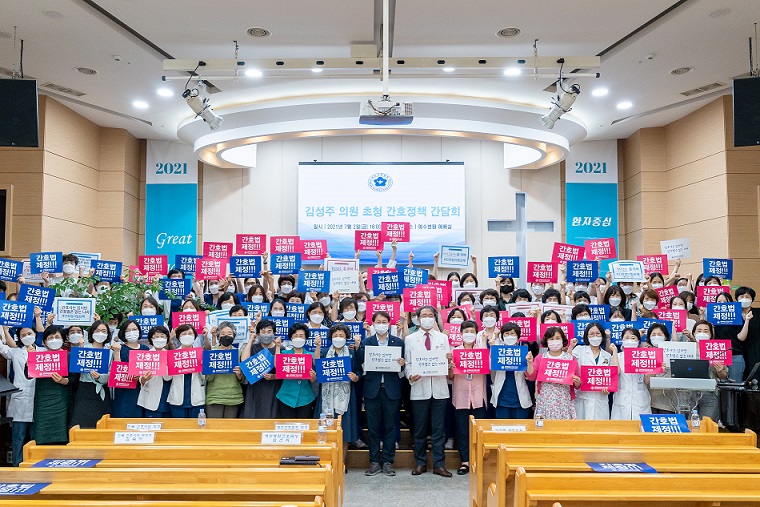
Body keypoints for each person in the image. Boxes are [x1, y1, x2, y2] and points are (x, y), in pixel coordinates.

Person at [404, 306, 452, 477]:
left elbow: (448, 362)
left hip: (440, 389)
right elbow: (408, 363)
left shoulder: (443, 338)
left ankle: (439, 464)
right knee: (419, 429)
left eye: (430, 315)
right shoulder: (410, 339)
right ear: (417, 319)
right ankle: (420, 463)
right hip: (419, 388)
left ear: (435, 318)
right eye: (423, 315)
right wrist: (410, 375)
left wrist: (449, 361)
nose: (427, 318)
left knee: (439, 429)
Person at [357, 311, 405, 477]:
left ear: (389, 323)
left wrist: (402, 364)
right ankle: (374, 461)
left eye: (384, 321)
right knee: (373, 427)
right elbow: (360, 365)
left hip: (391, 389)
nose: (381, 324)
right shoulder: (366, 342)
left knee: (391, 426)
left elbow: (403, 368)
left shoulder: (398, 342)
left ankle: (388, 462)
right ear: (373, 323)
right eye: (378, 321)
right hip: (372, 390)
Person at [314, 324, 360, 468]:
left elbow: (359, 371)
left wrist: (355, 377)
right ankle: (326, 462)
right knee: (325, 430)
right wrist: (317, 346)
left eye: (341, 335)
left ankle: (341, 463)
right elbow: (317, 365)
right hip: (326, 398)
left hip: (345, 399)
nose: (338, 338)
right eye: (335, 335)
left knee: (344, 431)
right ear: (331, 338)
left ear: (346, 338)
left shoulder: (352, 354)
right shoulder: (324, 351)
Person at [450, 320, 488, 475]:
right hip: (461, 396)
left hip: (478, 396)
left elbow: (488, 370)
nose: (469, 334)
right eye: (466, 332)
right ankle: (465, 461)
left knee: (478, 431)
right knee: (463, 431)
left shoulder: (482, 350)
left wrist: (484, 344)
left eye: (472, 331)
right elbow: (450, 377)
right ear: (460, 334)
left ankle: (478, 461)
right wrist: (450, 367)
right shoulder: (454, 352)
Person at [0, 324, 36, 465]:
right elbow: (2, 348)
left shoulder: (43, 351)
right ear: (19, 338)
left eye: (29, 333)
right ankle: (17, 466)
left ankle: (35, 466)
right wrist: (4, 329)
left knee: (35, 438)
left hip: (37, 399)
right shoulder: (16, 352)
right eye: (23, 335)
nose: (27, 336)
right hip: (19, 400)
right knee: (18, 437)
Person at [525, 327, 579, 420]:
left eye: (558, 338)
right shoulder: (540, 358)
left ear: (563, 340)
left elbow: (577, 384)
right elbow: (532, 377)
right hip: (545, 402)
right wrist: (530, 363)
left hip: (564, 402)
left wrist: (577, 381)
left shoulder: (570, 359)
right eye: (551, 339)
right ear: (547, 341)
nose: (555, 341)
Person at [33, 326, 74, 444]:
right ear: (45, 342)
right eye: (50, 338)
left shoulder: (69, 356)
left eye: (57, 337)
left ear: (63, 339)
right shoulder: (39, 356)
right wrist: (29, 361)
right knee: (42, 433)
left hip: (62, 399)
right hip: (43, 399)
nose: (54, 340)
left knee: (62, 433)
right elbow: (28, 375)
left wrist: (63, 381)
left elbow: (74, 379)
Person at [69, 321, 113, 428]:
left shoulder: (110, 351)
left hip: (102, 390)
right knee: (82, 423)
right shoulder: (83, 347)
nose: (100, 333)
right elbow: (75, 368)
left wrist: (100, 377)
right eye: (97, 331)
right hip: (85, 389)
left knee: (101, 424)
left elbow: (112, 373)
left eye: (103, 331)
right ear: (92, 332)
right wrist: (81, 349)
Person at [569, 322, 617, 420]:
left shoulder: (607, 355)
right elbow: (567, 362)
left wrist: (608, 388)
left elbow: (611, 377)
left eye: (598, 333)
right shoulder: (579, 350)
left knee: (599, 432)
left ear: (602, 335)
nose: (595, 336)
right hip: (582, 398)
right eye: (591, 334)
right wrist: (570, 347)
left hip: (600, 399)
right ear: (587, 336)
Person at [489, 322, 533, 419]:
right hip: (502, 398)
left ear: (518, 337)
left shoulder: (523, 352)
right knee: (503, 431)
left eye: (513, 334)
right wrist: (492, 350)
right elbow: (490, 371)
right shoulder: (497, 351)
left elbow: (530, 375)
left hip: (520, 399)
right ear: (502, 337)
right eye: (506, 334)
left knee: (520, 431)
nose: (509, 336)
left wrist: (530, 362)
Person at [240, 319, 281, 418]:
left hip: (272, 387)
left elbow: (280, 368)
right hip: (255, 387)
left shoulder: (281, 349)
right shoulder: (254, 347)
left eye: (269, 331)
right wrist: (251, 340)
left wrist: (274, 376)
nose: (266, 334)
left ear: (274, 333)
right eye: (263, 332)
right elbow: (244, 361)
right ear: (258, 334)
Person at [276, 323, 317, 418]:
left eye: (301, 336)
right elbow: (277, 367)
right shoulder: (284, 354)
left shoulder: (311, 355)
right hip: (286, 396)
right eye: (295, 335)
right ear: (291, 338)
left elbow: (313, 379)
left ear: (306, 338)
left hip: (305, 397)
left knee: (304, 427)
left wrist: (313, 377)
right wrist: (277, 347)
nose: (298, 338)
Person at [205, 322, 244, 417]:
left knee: (230, 429)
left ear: (234, 336)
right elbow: (208, 379)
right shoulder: (211, 353)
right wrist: (212, 369)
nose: (226, 336)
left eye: (229, 334)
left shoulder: (239, 353)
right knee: (214, 428)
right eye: (223, 334)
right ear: (218, 336)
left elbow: (242, 380)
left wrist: (239, 374)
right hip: (215, 396)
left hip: (234, 397)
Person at [110, 320, 148, 418]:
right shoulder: (120, 348)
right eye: (128, 330)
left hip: (140, 390)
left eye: (134, 329)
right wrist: (117, 352)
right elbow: (116, 372)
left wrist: (141, 377)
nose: (132, 332)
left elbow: (149, 369)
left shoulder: (145, 349)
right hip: (124, 391)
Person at [612, 327, 652, 419]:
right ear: (622, 340)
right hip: (622, 399)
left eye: (633, 338)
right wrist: (614, 352)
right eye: (626, 338)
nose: (630, 340)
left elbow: (647, 380)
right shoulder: (617, 356)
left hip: (640, 400)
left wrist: (650, 366)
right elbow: (615, 373)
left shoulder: (644, 356)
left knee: (641, 429)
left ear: (638, 341)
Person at [694, 320, 729, 423]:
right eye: (699, 330)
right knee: (690, 426)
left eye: (706, 331)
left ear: (711, 334)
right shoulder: (685, 349)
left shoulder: (718, 349)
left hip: (709, 393)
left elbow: (724, 376)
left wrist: (720, 370)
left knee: (707, 425)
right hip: (688, 393)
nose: (702, 333)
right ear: (694, 333)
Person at [167, 324, 206, 417]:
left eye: (190, 333)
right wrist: (169, 365)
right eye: (183, 334)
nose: (187, 336)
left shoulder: (201, 353)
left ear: (195, 336)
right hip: (177, 398)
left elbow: (205, 377)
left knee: (196, 428)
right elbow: (167, 378)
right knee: (179, 429)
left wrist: (202, 365)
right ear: (178, 337)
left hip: (197, 398)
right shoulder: (173, 354)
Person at [137, 326, 172, 418]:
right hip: (151, 397)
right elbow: (141, 380)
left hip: (168, 396)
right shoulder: (145, 355)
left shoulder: (172, 355)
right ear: (151, 339)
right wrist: (144, 379)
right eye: (156, 336)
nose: (159, 339)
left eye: (162, 336)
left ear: (167, 338)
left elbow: (169, 377)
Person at [644, 323, 673, 414]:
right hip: (650, 401)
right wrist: (655, 369)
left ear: (666, 337)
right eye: (653, 334)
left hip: (669, 402)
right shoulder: (645, 354)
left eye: (660, 334)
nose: (656, 337)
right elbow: (647, 380)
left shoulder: (674, 351)